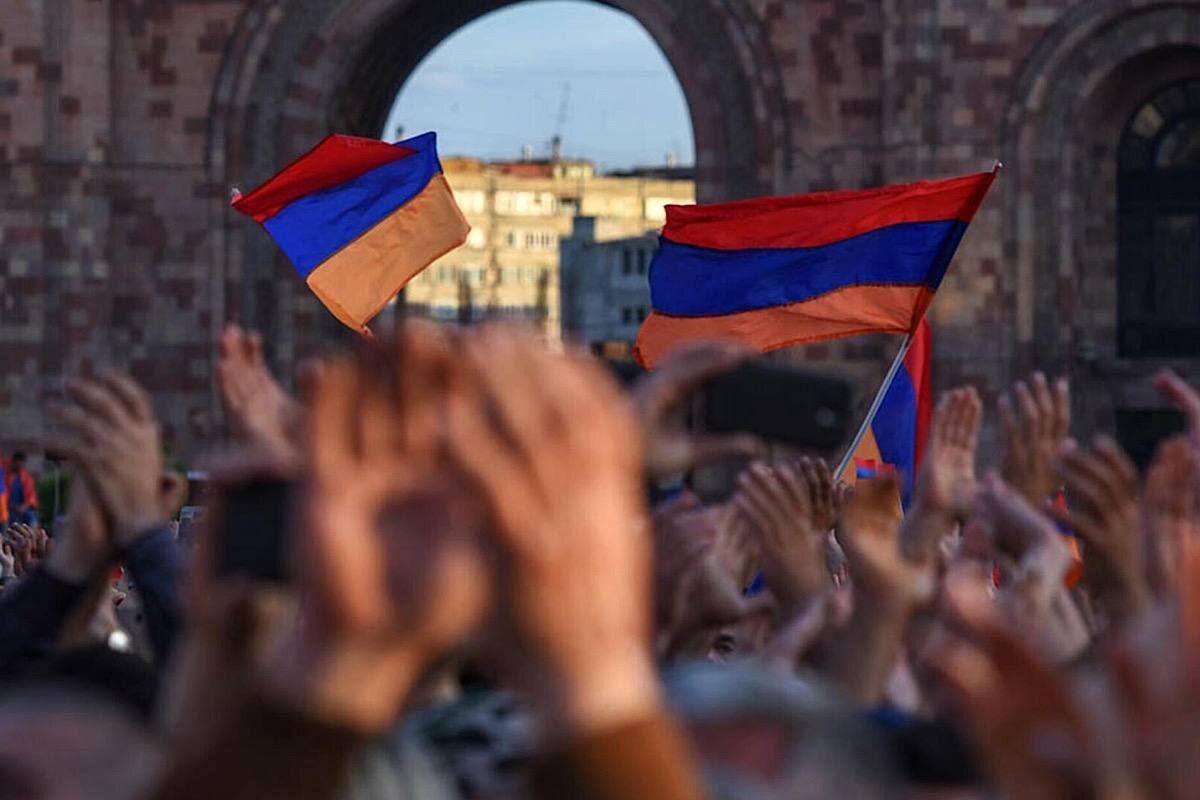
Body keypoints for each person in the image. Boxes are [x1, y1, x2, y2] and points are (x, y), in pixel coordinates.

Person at [8, 451, 38, 527]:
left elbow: (31, 497)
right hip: (10, 508)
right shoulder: (7, 477)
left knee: (31, 518)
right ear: (13, 462)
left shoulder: (27, 478)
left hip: (24, 509)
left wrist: (24, 506)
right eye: (17, 464)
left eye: (21, 464)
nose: (20, 466)